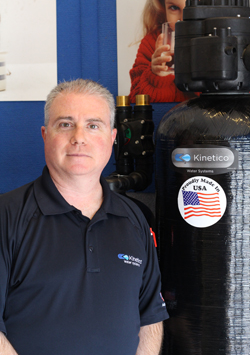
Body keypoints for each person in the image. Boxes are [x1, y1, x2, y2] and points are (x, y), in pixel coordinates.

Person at [0, 79, 168, 355]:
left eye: (93, 125)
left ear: (113, 138)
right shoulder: (7, 216)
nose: (79, 137)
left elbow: (150, 317)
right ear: (45, 134)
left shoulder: (134, 219)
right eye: (66, 124)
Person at [129, 0, 200, 103]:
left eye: (195, 8)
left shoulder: (229, 42)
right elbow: (136, 101)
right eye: (174, 8)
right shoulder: (153, 44)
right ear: (163, 7)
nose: (182, 19)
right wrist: (156, 77)